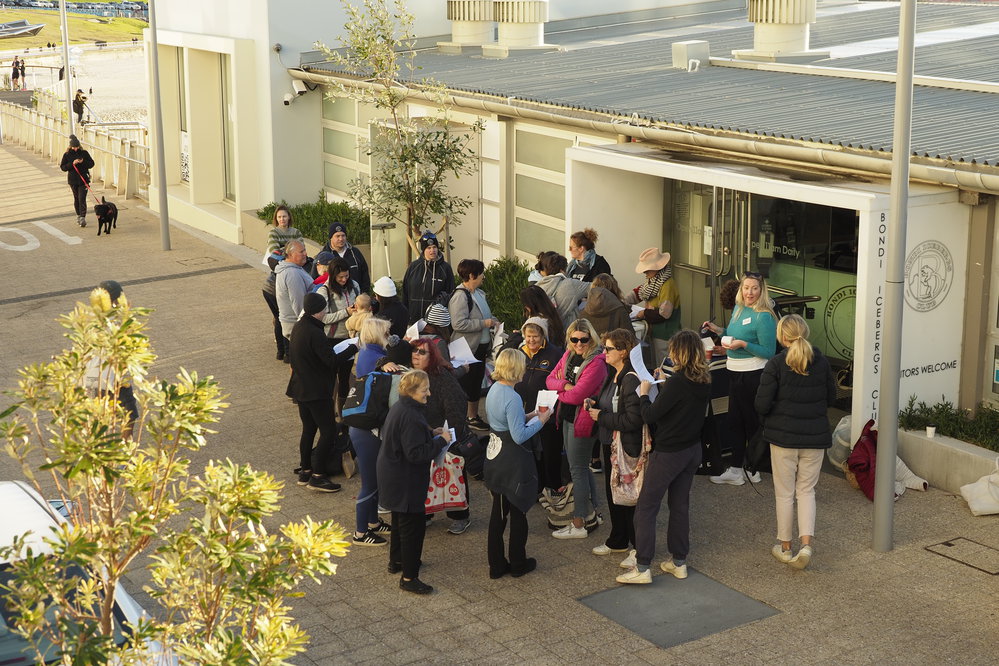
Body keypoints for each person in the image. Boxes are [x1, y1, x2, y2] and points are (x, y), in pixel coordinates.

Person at [617, 330, 710, 584]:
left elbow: (650, 415)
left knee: (646, 507)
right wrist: (665, 382)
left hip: (669, 453)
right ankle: (679, 561)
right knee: (679, 505)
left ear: (679, 352)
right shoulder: (703, 380)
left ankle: (643, 566)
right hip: (692, 450)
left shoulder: (678, 382)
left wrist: (645, 392)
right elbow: (681, 402)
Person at [755, 315, 836, 569]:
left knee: (785, 492)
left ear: (782, 336)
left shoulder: (776, 364)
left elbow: (761, 404)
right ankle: (807, 545)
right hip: (815, 437)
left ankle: (786, 547)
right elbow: (831, 397)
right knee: (806, 491)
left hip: (783, 438)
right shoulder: (821, 362)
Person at [377, 370, 453, 594]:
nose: (428, 393)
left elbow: (411, 435)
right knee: (413, 527)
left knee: (400, 520)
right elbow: (416, 454)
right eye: (424, 390)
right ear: (410, 391)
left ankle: (398, 561)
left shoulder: (402, 406)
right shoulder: (411, 415)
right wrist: (441, 442)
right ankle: (409, 577)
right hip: (405, 479)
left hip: (393, 474)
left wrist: (432, 432)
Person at [703, 271, 778, 485]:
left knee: (751, 422)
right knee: (735, 421)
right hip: (734, 373)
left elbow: (769, 351)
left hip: (753, 375)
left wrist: (743, 345)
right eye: (746, 288)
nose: (750, 292)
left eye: (754, 288)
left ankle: (752, 467)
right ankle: (737, 469)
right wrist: (719, 330)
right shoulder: (738, 308)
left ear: (761, 290)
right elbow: (736, 332)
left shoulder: (764, 316)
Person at [484, 349, 551, 578]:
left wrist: (530, 414)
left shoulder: (495, 389)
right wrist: (541, 420)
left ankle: (496, 564)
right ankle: (518, 562)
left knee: (499, 513)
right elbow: (519, 435)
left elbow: (506, 422)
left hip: (495, 456)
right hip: (511, 461)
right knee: (519, 510)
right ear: (516, 368)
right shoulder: (511, 396)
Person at [545, 318, 607, 539]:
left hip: (583, 421)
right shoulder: (569, 354)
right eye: (574, 339)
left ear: (591, 338)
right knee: (581, 467)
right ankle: (594, 513)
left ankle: (579, 523)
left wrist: (564, 389)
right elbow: (550, 379)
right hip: (568, 417)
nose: (579, 344)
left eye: (583, 339)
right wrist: (565, 385)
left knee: (577, 470)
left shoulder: (597, 362)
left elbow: (577, 396)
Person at [586, 328, 642, 558]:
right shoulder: (613, 373)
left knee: (630, 498)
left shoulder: (630, 379)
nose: (604, 352)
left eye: (608, 348)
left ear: (623, 352)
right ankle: (618, 540)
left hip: (625, 447)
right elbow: (608, 401)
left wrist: (601, 417)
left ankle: (638, 547)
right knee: (614, 495)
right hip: (610, 444)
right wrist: (595, 401)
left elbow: (633, 419)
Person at [409, 337, 473, 535]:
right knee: (424, 477)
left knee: (453, 476)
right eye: (414, 351)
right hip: (423, 434)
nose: (416, 355)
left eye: (422, 352)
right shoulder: (413, 375)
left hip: (444, 434)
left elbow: (457, 403)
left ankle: (460, 516)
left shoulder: (440, 376)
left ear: (433, 356)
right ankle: (427, 513)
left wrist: (450, 434)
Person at [350, 317, 404, 548]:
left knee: (373, 479)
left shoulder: (366, 352)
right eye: (386, 331)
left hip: (362, 426)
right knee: (370, 482)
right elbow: (382, 373)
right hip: (367, 429)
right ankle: (361, 532)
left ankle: (372, 522)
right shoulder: (377, 357)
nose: (389, 335)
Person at [285, 292, 343, 494]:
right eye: (324, 308)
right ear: (319, 312)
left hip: (301, 388)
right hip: (316, 391)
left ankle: (305, 470)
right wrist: (352, 349)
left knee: (308, 429)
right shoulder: (315, 332)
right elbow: (331, 361)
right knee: (328, 431)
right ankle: (318, 476)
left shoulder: (299, 327)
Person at [510, 317, 565, 503]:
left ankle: (555, 487)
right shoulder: (520, 353)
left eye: (535, 336)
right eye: (528, 336)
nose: (531, 340)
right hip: (525, 411)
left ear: (543, 336)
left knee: (550, 452)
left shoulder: (555, 353)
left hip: (548, 413)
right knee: (531, 453)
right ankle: (537, 487)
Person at [82, 280, 139, 440]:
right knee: (129, 415)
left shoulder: (89, 318)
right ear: (113, 301)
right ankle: (122, 457)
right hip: (112, 379)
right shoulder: (114, 321)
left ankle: (92, 452)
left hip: (90, 379)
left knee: (95, 419)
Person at [448, 259, 494, 430]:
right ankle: (464, 418)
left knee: (475, 383)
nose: (483, 276)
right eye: (481, 273)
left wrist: (492, 321)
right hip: (466, 349)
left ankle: (472, 416)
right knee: (466, 384)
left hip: (479, 347)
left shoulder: (478, 293)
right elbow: (458, 324)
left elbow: (483, 316)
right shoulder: (460, 296)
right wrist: (484, 323)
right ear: (471, 275)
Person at [318, 258, 360, 414]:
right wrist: (346, 312)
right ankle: (328, 411)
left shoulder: (354, 286)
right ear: (333, 275)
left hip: (349, 338)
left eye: (346, 276)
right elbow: (323, 318)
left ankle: (343, 414)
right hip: (331, 339)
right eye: (340, 277)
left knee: (344, 378)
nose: (344, 280)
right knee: (329, 378)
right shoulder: (324, 291)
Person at [631, 248, 681, 367]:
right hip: (656, 332)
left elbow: (664, 313)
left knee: (663, 366)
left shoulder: (667, 285)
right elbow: (639, 292)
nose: (645, 273)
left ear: (657, 268)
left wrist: (644, 313)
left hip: (665, 334)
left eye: (647, 269)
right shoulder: (654, 280)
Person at [402, 231, 454, 325]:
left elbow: (450, 294)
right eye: (428, 248)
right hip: (414, 320)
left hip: (435, 322)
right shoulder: (414, 267)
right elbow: (405, 292)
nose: (432, 250)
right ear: (423, 250)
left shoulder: (445, 268)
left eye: (434, 247)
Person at [275, 240, 313, 360]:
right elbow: (299, 304)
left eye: (305, 250)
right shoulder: (292, 273)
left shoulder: (293, 268)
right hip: (296, 325)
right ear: (290, 255)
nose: (305, 253)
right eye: (301, 251)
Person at [536, 253, 589, 328]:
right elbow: (595, 287)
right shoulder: (570, 284)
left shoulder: (538, 285)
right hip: (567, 332)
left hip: (543, 331)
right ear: (562, 270)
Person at [319, 221, 371, 294]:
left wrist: (364, 293)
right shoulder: (324, 255)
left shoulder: (355, 252)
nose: (341, 239)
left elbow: (364, 273)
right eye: (337, 236)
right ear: (331, 237)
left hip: (356, 296)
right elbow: (316, 278)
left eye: (343, 235)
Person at [371, 276, 410, 364]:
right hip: (398, 348)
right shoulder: (402, 308)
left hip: (384, 353)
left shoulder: (383, 316)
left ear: (380, 296)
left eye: (376, 295)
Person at [59, 135, 95, 228]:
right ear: (70, 146)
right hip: (73, 180)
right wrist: (72, 164)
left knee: (82, 198)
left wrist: (83, 162)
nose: (75, 149)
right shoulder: (67, 155)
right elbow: (63, 167)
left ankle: (83, 217)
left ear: (79, 146)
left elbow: (91, 164)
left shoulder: (84, 153)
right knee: (76, 198)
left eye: (77, 147)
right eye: (74, 147)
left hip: (83, 180)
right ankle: (78, 215)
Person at [261, 246, 286, 360]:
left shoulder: (278, 255)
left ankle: (280, 352)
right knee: (283, 319)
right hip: (273, 290)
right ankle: (285, 351)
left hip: (267, 288)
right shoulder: (284, 260)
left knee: (278, 319)